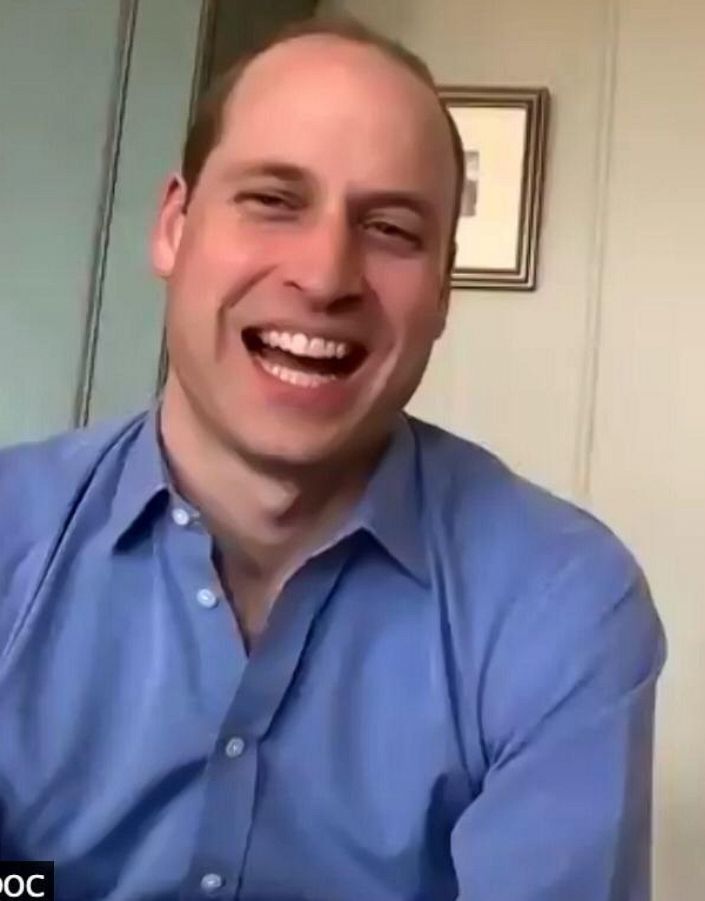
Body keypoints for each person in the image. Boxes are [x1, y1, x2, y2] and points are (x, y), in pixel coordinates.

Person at [0, 17, 664, 900]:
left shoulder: (561, 599)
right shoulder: (13, 539)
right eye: (273, 200)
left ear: (442, 293)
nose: (324, 275)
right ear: (173, 227)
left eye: (391, 228)